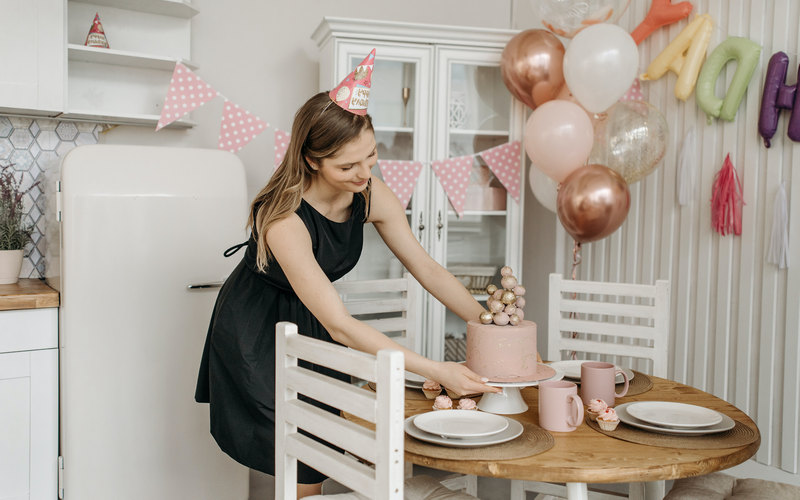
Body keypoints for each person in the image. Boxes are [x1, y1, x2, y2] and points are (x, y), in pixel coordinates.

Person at [194, 49, 499, 498]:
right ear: (312, 160)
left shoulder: (371, 194)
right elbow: (340, 323)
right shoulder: (284, 219)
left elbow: (426, 267)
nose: (365, 174)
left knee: (321, 444)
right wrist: (437, 369)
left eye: (371, 156)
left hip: (313, 322)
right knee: (300, 458)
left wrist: (488, 325)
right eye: (348, 166)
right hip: (257, 330)